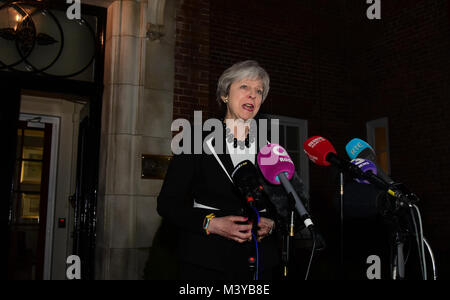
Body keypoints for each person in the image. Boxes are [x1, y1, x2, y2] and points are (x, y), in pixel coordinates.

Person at [157, 60, 280, 280]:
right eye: (244, 87)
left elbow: (286, 205)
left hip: (259, 264)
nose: (252, 95)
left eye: (259, 91)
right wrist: (210, 224)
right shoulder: (196, 139)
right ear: (225, 94)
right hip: (207, 262)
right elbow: (167, 203)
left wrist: (271, 224)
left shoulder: (270, 148)